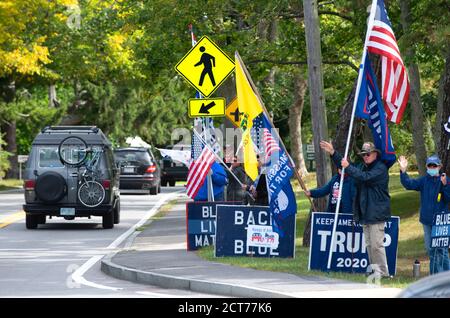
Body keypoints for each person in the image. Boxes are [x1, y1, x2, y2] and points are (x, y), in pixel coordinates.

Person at [320, 140, 391, 278]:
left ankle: (383, 272)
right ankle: (374, 270)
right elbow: (350, 167)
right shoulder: (363, 167)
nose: (365, 156)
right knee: (370, 245)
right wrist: (334, 153)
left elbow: (364, 177)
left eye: (368, 154)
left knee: (377, 245)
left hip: (376, 213)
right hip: (366, 213)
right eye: (363, 154)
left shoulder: (380, 168)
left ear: (376, 154)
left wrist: (348, 167)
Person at [398, 154, 450, 274]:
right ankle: (434, 277)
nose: (432, 168)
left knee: (441, 250)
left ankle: (446, 277)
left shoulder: (445, 180)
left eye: (434, 165)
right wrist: (403, 171)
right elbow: (409, 184)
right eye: (429, 166)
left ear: (439, 166)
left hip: (440, 222)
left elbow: (448, 198)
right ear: (427, 167)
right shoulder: (424, 180)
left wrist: (445, 185)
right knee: (431, 250)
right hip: (427, 221)